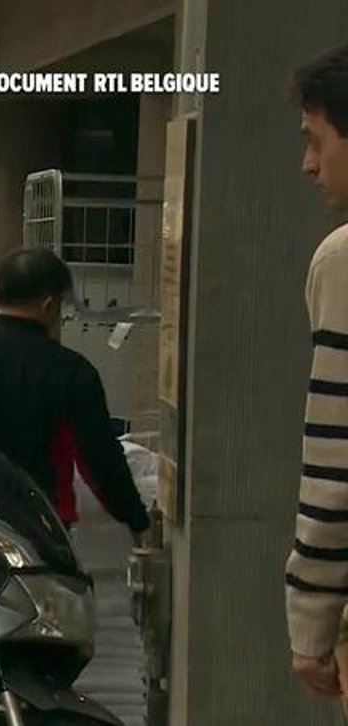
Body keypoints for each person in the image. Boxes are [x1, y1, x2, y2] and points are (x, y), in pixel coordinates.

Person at [0, 248, 150, 536]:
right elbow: (100, 463)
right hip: (40, 526)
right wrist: (136, 519)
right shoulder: (72, 372)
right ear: (49, 305)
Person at [287, 45, 348, 705]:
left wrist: (311, 620)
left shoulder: (343, 261)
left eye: (316, 140)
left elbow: (335, 461)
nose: (307, 163)